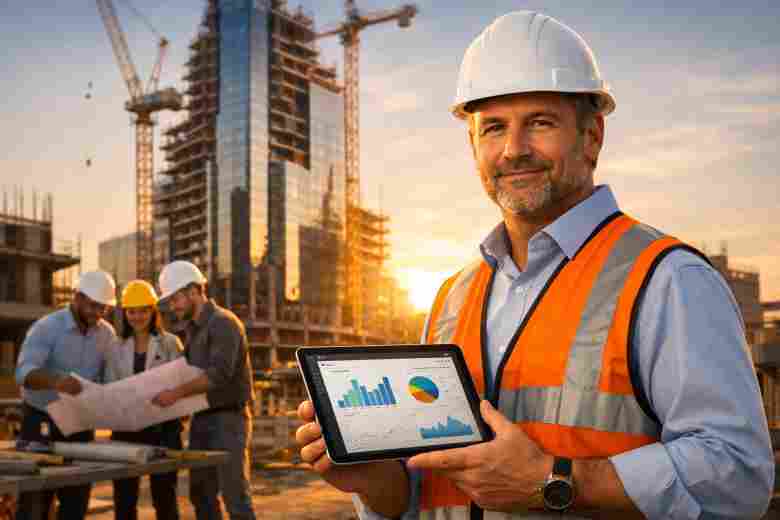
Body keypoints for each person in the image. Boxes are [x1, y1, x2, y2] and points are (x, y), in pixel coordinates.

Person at [295, 10, 774, 520]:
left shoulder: (668, 280)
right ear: (473, 144)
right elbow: (429, 492)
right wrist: (377, 483)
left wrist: (554, 480)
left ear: (592, 136)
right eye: (494, 128)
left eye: (540, 123)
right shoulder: (452, 296)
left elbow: (738, 478)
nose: (514, 150)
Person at [151, 261, 256, 520]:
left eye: (176, 299)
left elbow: (218, 375)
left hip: (229, 420)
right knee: (201, 495)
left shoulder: (224, 323)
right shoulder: (193, 330)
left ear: (194, 291)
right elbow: (191, 374)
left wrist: (175, 393)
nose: (173, 307)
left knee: (235, 496)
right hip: (202, 418)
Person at [14, 270, 117, 520]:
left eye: (103, 308)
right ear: (77, 297)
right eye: (93, 306)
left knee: (76, 501)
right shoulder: (47, 328)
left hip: (79, 426)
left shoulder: (107, 334)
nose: (98, 313)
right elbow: (23, 372)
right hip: (40, 422)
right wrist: (56, 381)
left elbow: (108, 381)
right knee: (34, 502)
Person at [105, 280, 184, 520]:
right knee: (124, 500)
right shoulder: (116, 347)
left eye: (143, 310)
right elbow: (110, 387)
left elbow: (180, 383)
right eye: (132, 311)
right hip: (126, 429)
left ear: (153, 311)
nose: (137, 316)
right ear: (124, 313)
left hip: (164, 430)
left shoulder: (170, 344)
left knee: (165, 498)